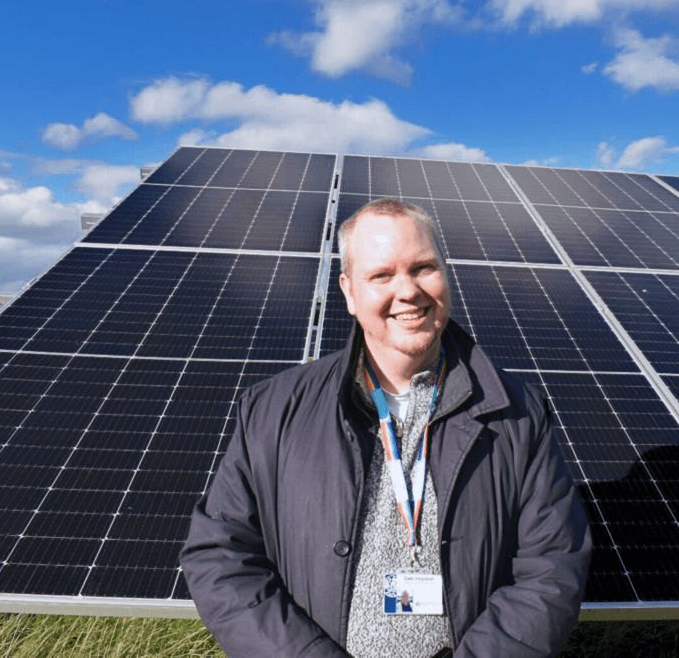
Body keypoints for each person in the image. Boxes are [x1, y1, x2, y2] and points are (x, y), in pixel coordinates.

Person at [181, 198, 592, 658]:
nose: (409, 291)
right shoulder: (274, 409)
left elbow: (552, 565)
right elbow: (219, 556)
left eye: (423, 268)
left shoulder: (516, 412)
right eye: (382, 275)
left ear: (446, 275)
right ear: (350, 291)